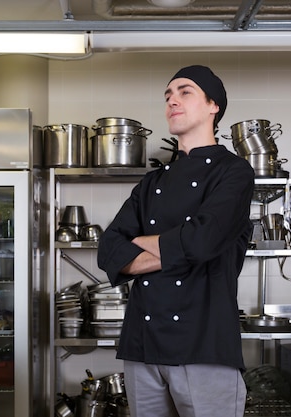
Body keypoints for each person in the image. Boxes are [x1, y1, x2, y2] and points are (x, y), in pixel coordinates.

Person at [97, 65, 255, 417]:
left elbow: (202, 240)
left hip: (204, 344)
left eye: (185, 92)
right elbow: (109, 249)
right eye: (168, 95)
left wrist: (140, 241)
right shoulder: (151, 183)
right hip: (142, 344)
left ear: (213, 105)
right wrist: (179, 245)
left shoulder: (234, 172)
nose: (172, 100)